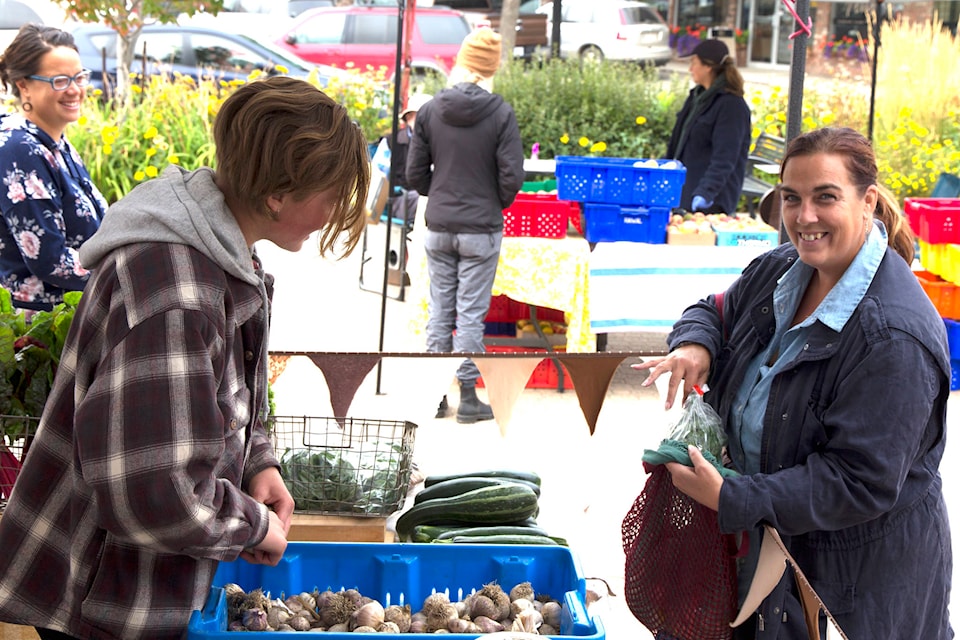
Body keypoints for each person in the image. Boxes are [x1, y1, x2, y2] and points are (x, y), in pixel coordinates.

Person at [0, 76, 370, 640]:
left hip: (136, 580)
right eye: (331, 195)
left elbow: (223, 400)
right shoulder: (175, 292)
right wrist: (254, 528)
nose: (334, 212)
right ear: (279, 193)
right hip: (105, 595)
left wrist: (258, 463)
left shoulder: (220, 247)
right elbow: (156, 493)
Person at [636, 127, 953, 639]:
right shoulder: (782, 269)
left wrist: (735, 498)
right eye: (792, 198)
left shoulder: (893, 336)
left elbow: (859, 482)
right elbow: (714, 310)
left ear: (867, 200)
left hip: (850, 588)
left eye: (825, 197)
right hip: (765, 561)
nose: (805, 217)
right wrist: (695, 342)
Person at [406, 27, 525, 424]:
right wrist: (492, 203)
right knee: (470, 316)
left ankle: (436, 396)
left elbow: (414, 174)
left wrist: (437, 192)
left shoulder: (429, 110)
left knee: (440, 312)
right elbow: (512, 177)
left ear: (461, 60)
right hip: (480, 228)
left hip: (438, 225)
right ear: (492, 67)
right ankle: (470, 399)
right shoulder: (501, 112)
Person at [0, 24, 108, 312]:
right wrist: (125, 277)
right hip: (43, 330)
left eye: (79, 77)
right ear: (23, 84)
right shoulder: (20, 150)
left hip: (76, 311)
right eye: (59, 80)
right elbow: (51, 259)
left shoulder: (54, 143)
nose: (74, 90)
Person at [665, 38, 750, 214]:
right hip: (685, 192)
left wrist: (706, 192)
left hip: (712, 202)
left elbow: (725, 158)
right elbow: (678, 141)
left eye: (693, 63)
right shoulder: (697, 98)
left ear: (708, 67)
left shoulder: (731, 106)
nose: (690, 69)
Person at [388, 92, 432, 227]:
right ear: (409, 117)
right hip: (402, 198)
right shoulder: (391, 141)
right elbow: (378, 176)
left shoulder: (440, 142)